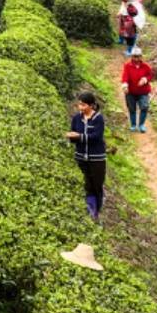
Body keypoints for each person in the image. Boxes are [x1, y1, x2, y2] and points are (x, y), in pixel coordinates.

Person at [66, 91, 109, 220]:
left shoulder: (98, 119)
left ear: (91, 106)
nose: (81, 108)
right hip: (81, 157)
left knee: (97, 185)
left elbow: (96, 137)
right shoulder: (76, 118)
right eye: (79, 105)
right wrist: (71, 137)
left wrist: (79, 136)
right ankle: (91, 211)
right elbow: (74, 134)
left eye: (83, 105)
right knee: (87, 184)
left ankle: (97, 210)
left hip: (96, 158)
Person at [120, 47, 154, 133]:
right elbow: (125, 76)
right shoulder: (127, 66)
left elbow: (150, 75)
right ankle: (133, 125)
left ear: (141, 56)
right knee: (132, 108)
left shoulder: (146, 66)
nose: (136, 58)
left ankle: (141, 124)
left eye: (138, 56)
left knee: (144, 107)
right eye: (134, 56)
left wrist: (144, 79)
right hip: (131, 91)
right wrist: (125, 86)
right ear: (131, 56)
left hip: (143, 91)